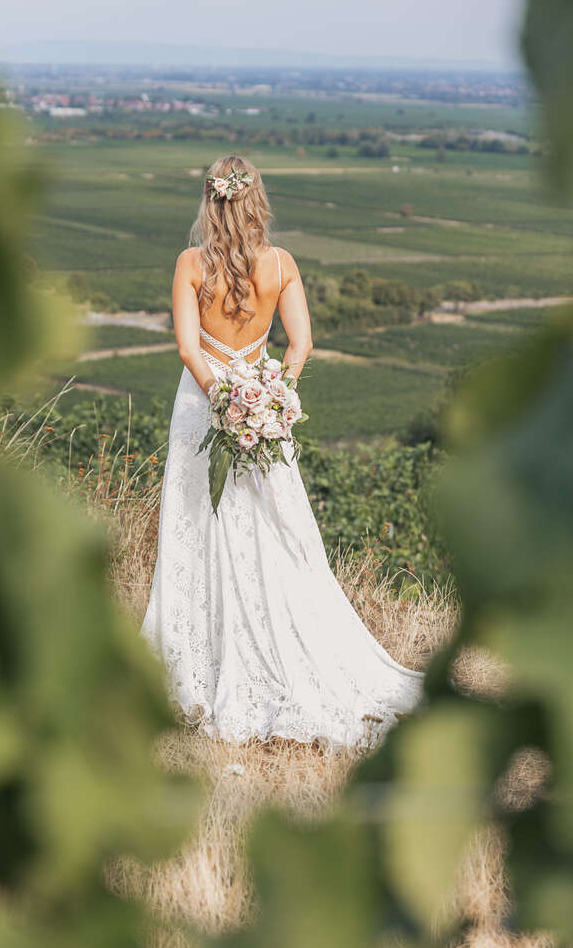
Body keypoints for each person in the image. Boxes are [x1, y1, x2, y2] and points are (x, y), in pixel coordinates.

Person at [140, 155, 423, 750]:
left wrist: (224, 399)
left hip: (202, 406)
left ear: (210, 203)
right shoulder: (281, 264)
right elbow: (302, 344)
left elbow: (190, 350)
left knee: (197, 518)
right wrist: (269, 394)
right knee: (274, 522)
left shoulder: (190, 264)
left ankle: (201, 655)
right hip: (259, 402)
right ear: (256, 201)